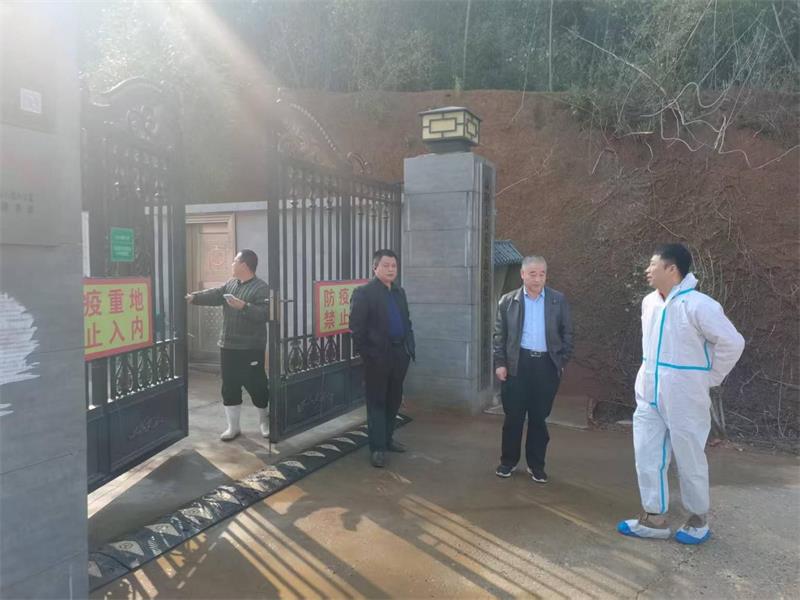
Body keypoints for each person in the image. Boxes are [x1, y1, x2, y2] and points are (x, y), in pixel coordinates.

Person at [618, 243, 744, 545]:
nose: (647, 270)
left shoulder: (700, 305)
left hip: (685, 395)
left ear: (671, 269)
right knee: (646, 454)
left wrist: (708, 377)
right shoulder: (649, 302)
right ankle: (654, 517)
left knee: (689, 457)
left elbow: (732, 342)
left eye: (653, 264)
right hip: (649, 392)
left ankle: (698, 518)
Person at [493, 255, 574, 483]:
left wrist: (561, 361)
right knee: (513, 417)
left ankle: (536, 465)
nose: (537, 279)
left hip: (546, 366)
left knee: (539, 418)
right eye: (532, 274)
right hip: (517, 364)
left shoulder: (558, 300)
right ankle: (508, 461)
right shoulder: (508, 301)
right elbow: (500, 336)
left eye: (541, 274)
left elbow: (567, 333)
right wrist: (500, 363)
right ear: (522, 274)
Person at [186, 249, 270, 441]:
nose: (232, 264)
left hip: (251, 347)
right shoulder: (231, 284)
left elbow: (265, 314)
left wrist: (244, 307)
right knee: (229, 385)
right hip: (228, 344)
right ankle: (233, 427)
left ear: (244, 265)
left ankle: (264, 421)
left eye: (234, 261)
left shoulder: (261, 288)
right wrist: (195, 297)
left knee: (257, 384)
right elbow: (216, 295)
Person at [349, 249, 415, 468]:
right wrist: (369, 355)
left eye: (393, 266)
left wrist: (409, 348)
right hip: (377, 357)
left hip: (399, 354)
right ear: (375, 267)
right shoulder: (364, 293)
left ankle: (388, 439)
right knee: (377, 402)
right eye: (385, 265)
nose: (390, 270)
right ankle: (377, 448)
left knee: (394, 400)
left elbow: (407, 322)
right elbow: (356, 329)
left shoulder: (399, 292)